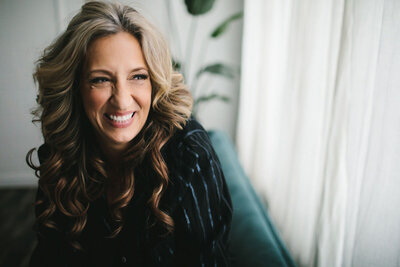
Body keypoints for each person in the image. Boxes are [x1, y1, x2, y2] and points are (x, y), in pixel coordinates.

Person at [26, 1, 232, 266]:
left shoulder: (189, 153)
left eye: (138, 77)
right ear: (76, 87)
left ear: (155, 83)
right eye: (101, 79)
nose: (122, 101)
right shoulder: (60, 152)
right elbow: (48, 255)